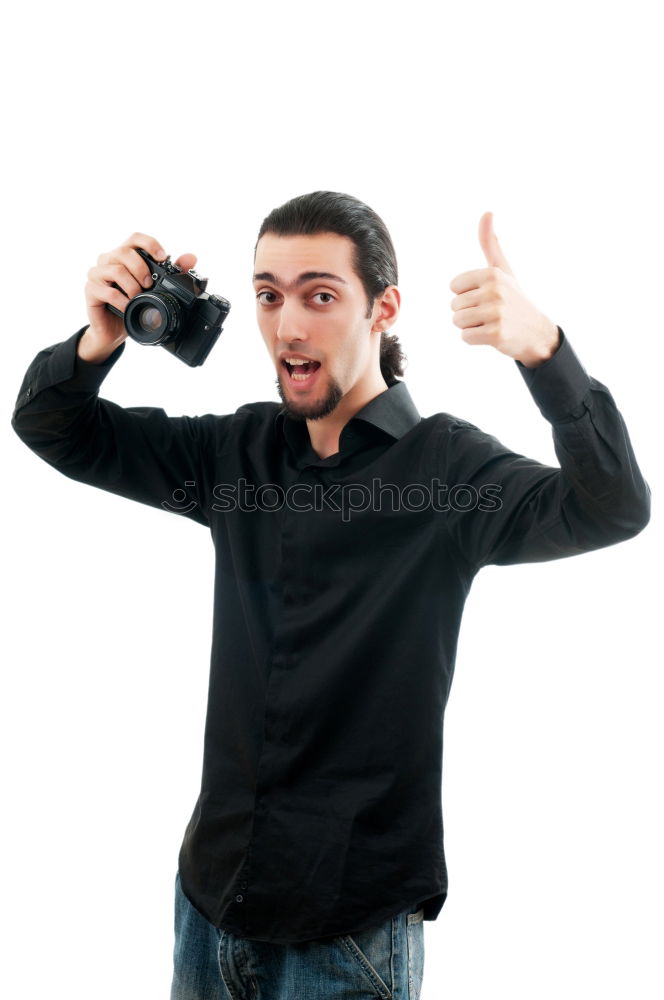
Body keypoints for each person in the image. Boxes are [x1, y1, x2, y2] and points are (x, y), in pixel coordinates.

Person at [11, 191, 651, 1000]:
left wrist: (545, 354)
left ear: (383, 307)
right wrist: (97, 342)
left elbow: (613, 506)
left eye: (320, 295)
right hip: (208, 907)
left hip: (346, 939)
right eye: (268, 295)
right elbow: (52, 426)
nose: (287, 327)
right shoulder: (233, 452)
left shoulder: (448, 471)